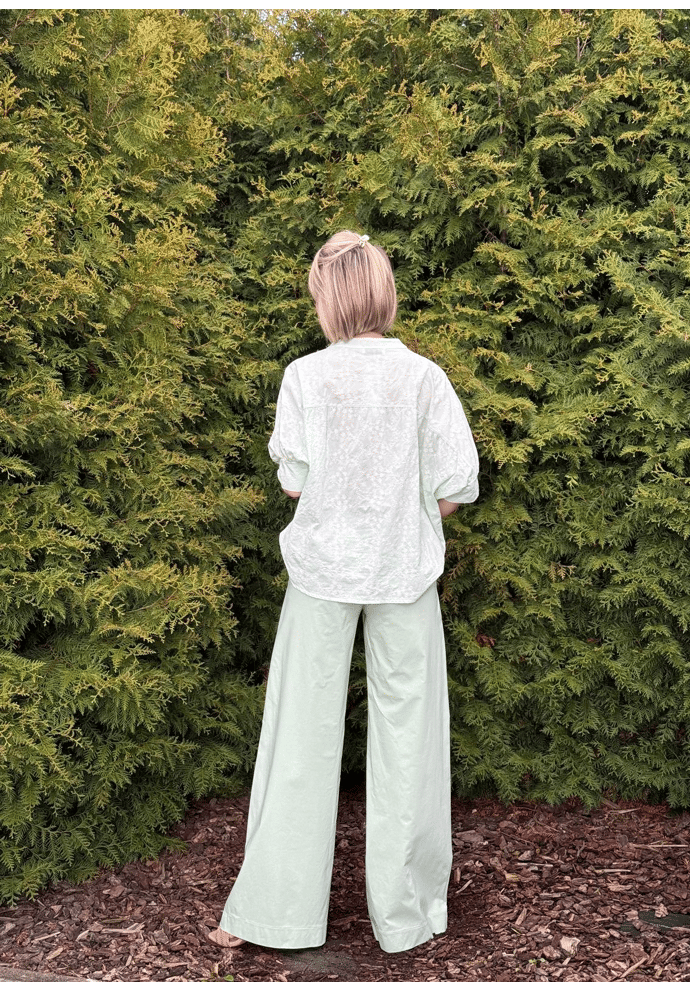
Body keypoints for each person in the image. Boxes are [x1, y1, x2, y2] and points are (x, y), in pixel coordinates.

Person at [208, 229, 479, 955]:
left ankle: (274, 913)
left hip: (323, 572)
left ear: (327, 298)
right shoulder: (424, 378)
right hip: (404, 572)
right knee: (412, 741)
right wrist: (404, 513)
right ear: (383, 292)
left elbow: (295, 482)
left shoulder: (305, 377)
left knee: (298, 734)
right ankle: (407, 914)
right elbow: (457, 485)